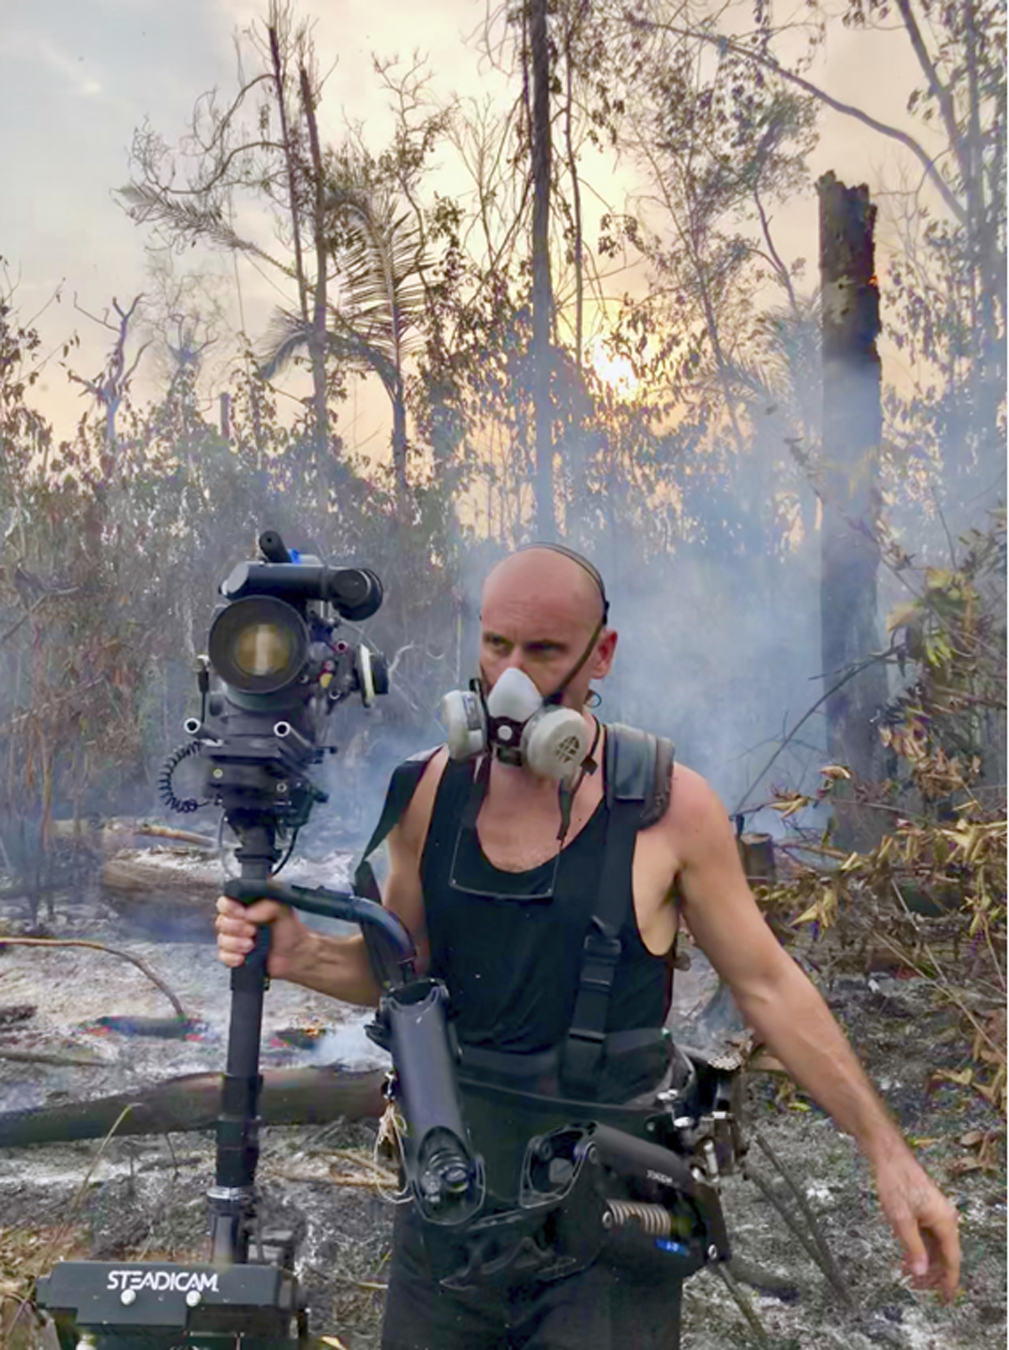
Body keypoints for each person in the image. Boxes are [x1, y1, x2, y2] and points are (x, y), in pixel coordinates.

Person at [216, 545, 961, 1349]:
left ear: (599, 655)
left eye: (542, 653)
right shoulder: (430, 791)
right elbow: (401, 977)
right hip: (448, 1210)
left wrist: (888, 1154)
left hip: (604, 1233)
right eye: (496, 645)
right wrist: (300, 955)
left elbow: (769, 986)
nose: (511, 679)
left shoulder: (667, 809)